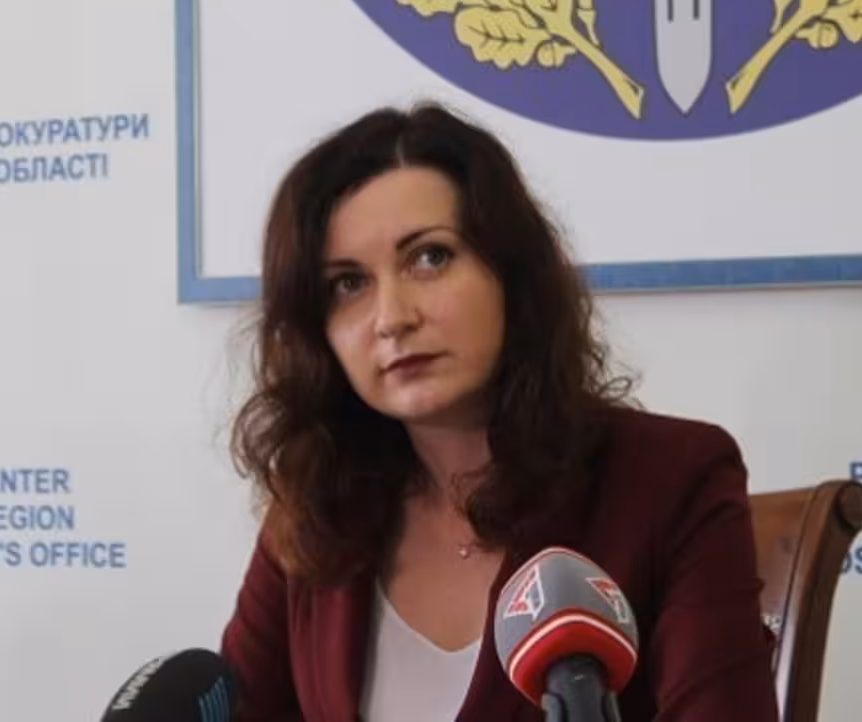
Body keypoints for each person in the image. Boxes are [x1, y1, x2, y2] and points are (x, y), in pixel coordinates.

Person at [220, 102, 779, 721]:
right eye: (348, 284)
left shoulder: (671, 480)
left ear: (510, 274)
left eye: (430, 257)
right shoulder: (313, 508)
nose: (392, 317)